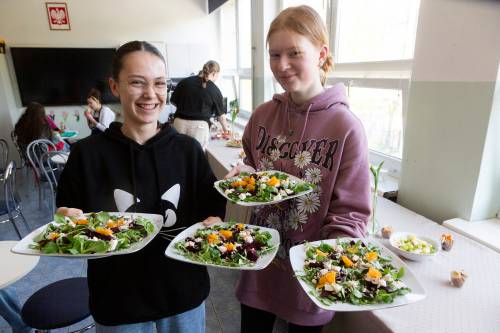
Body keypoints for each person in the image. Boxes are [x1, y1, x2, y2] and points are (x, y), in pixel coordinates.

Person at [55, 41, 226, 333]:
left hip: (184, 296)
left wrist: (217, 218)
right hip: (119, 303)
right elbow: (66, 218)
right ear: (115, 87)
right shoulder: (86, 154)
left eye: (159, 83)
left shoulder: (188, 151)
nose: (150, 94)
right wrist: (66, 222)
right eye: (137, 82)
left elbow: (212, 208)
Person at [224, 6, 371, 332]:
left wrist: (332, 266)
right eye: (274, 55)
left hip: (309, 277)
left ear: (321, 53)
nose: (282, 65)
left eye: (294, 53)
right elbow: (250, 165)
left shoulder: (346, 127)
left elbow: (351, 214)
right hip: (258, 264)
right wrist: (241, 174)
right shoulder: (262, 115)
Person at [171, 60, 229, 149]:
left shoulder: (185, 82)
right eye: (217, 75)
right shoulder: (214, 89)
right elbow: (221, 116)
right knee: (196, 159)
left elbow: (173, 102)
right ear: (214, 73)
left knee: (179, 156)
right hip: (199, 127)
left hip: (179, 123)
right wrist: (226, 131)